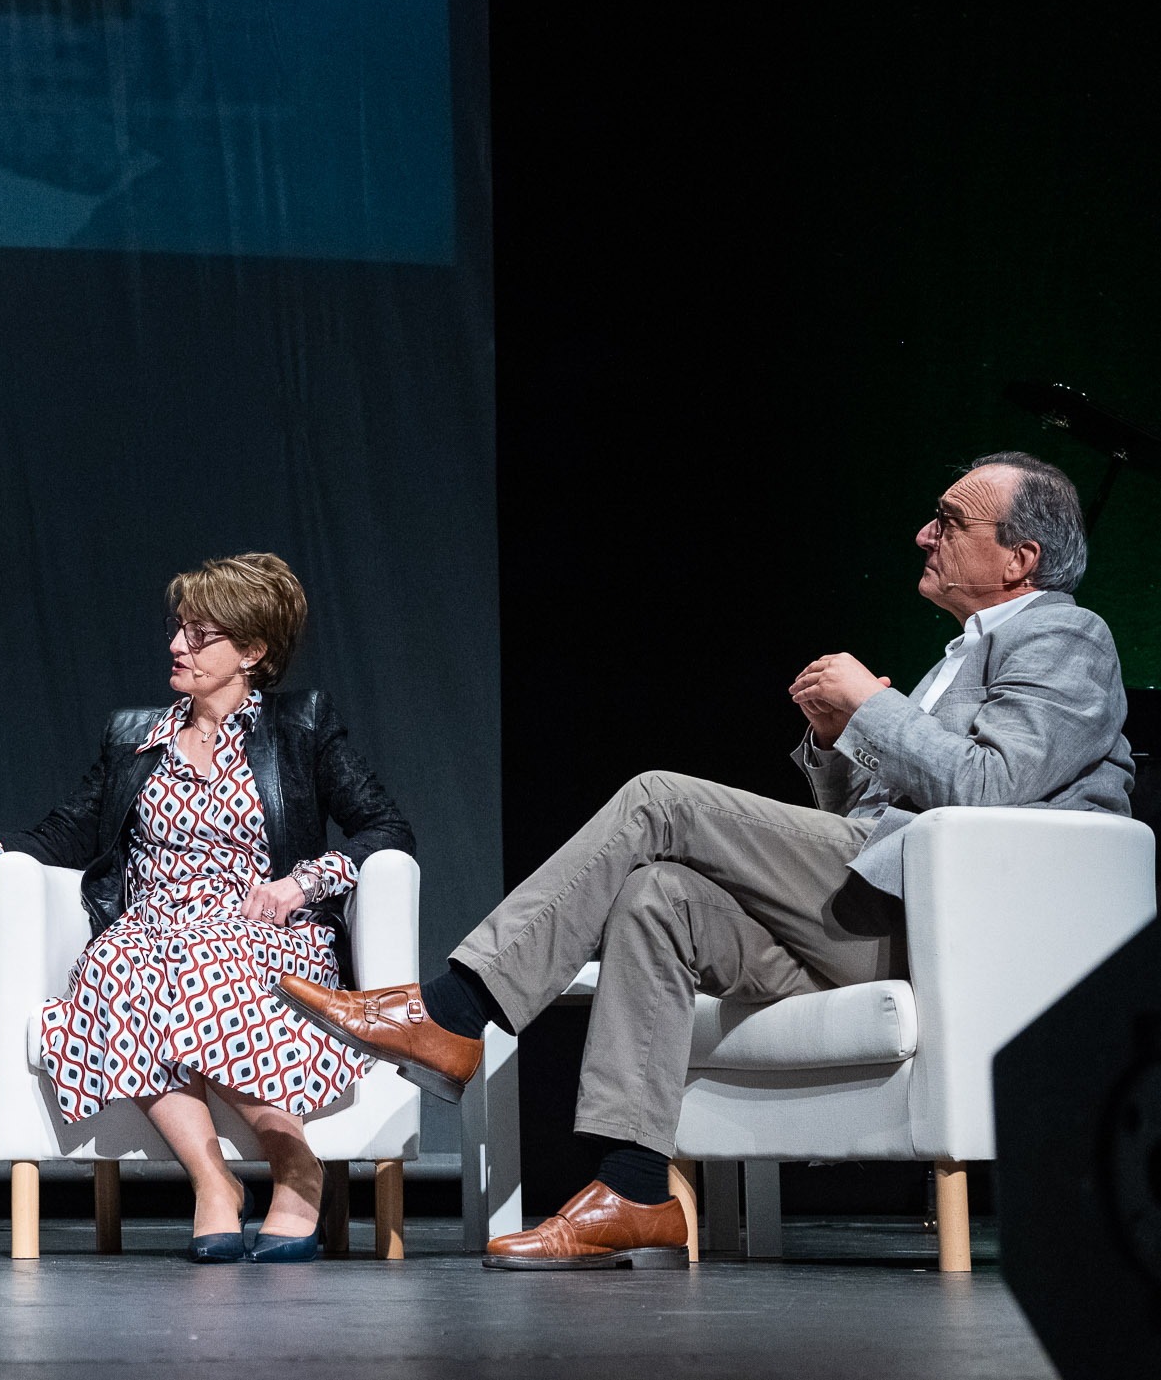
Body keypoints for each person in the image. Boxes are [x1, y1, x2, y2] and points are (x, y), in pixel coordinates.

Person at [280, 451, 1136, 1270]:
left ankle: (455, 1009)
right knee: (657, 895)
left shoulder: (1065, 635)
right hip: (879, 915)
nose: (922, 533)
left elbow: (992, 786)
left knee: (660, 799)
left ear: (1021, 558)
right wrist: (841, 743)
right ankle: (633, 1185)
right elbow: (851, 825)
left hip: (953, 933)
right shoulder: (958, 656)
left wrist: (873, 707)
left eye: (949, 520)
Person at [0, 552, 414, 1263]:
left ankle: (295, 1165)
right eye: (176, 629)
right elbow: (59, 836)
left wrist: (302, 882)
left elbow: (385, 829)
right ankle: (213, 1180)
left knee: (198, 961)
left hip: (261, 935)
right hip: (150, 936)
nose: (176, 646)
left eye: (199, 634)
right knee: (115, 959)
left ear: (252, 650)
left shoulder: (299, 726)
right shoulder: (135, 738)